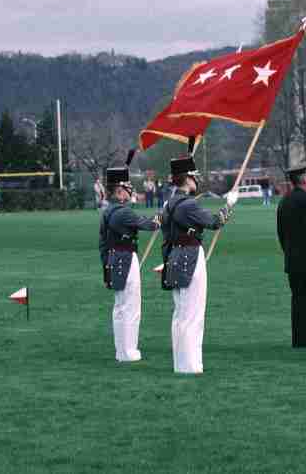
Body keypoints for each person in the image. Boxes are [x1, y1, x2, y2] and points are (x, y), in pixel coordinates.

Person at [160, 151, 234, 374]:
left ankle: (181, 363)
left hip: (174, 256)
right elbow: (215, 222)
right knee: (192, 314)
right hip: (191, 256)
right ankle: (191, 365)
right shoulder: (188, 205)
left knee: (180, 314)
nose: (197, 180)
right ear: (188, 178)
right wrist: (229, 204)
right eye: (194, 176)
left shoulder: (168, 204)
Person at [99, 155, 160, 363]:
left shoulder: (109, 211)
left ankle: (121, 351)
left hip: (115, 260)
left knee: (120, 308)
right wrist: (164, 213)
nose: (130, 191)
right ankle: (128, 352)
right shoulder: (122, 213)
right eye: (127, 188)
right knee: (130, 308)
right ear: (119, 191)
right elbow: (149, 224)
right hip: (125, 259)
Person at [276, 164, 306, 348]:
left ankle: (299, 338)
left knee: (298, 298)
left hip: (292, 256)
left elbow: (281, 233)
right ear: (305, 178)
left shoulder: (284, 201)